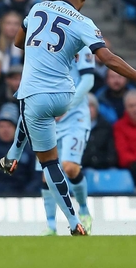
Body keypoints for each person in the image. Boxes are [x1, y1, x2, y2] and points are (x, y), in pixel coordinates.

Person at [0, 0, 136, 236]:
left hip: (39, 97)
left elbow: (16, 43)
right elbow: (109, 60)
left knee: (50, 162)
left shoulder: (36, 8)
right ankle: (12, 158)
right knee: (34, 115)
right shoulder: (84, 24)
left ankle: (71, 219)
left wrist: (40, 47)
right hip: (65, 96)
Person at [37, 47, 96, 235]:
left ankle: (84, 210)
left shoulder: (80, 46)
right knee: (47, 174)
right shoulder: (40, 47)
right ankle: (51, 226)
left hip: (74, 119)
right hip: (49, 118)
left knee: (69, 167)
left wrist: (66, 107)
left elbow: (88, 81)